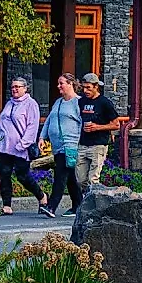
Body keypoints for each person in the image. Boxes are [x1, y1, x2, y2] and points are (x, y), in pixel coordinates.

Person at [0, 75, 44, 214]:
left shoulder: (31, 104)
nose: (14, 89)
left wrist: (23, 144)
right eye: (13, 87)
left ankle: (42, 196)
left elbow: (32, 126)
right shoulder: (9, 103)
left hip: (20, 148)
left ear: (25, 89)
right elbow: (3, 126)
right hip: (5, 147)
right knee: (4, 175)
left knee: (23, 176)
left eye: (17, 87)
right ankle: (7, 205)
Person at [40, 73, 86, 217]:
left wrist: (80, 142)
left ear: (70, 84)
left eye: (62, 83)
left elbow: (83, 123)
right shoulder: (58, 102)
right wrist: (42, 136)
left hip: (70, 145)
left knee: (60, 175)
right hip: (57, 146)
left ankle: (52, 206)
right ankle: (78, 205)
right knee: (70, 177)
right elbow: (49, 120)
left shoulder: (78, 102)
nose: (59, 86)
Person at [77, 73, 121, 192]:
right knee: (80, 180)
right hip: (83, 143)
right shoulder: (81, 101)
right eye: (84, 87)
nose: (85, 90)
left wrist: (97, 127)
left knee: (93, 179)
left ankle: (93, 206)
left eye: (88, 88)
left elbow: (116, 124)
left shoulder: (104, 103)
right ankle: (86, 200)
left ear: (96, 87)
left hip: (98, 144)